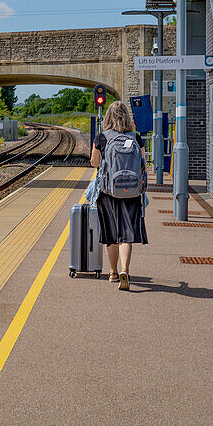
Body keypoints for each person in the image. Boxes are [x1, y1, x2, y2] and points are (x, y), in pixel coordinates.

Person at [88, 100, 147, 291]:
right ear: (127, 117)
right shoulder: (136, 138)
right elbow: (144, 164)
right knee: (126, 235)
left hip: (108, 192)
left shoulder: (101, 138)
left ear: (108, 117)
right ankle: (125, 269)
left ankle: (112, 272)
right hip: (132, 192)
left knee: (111, 235)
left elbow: (94, 163)